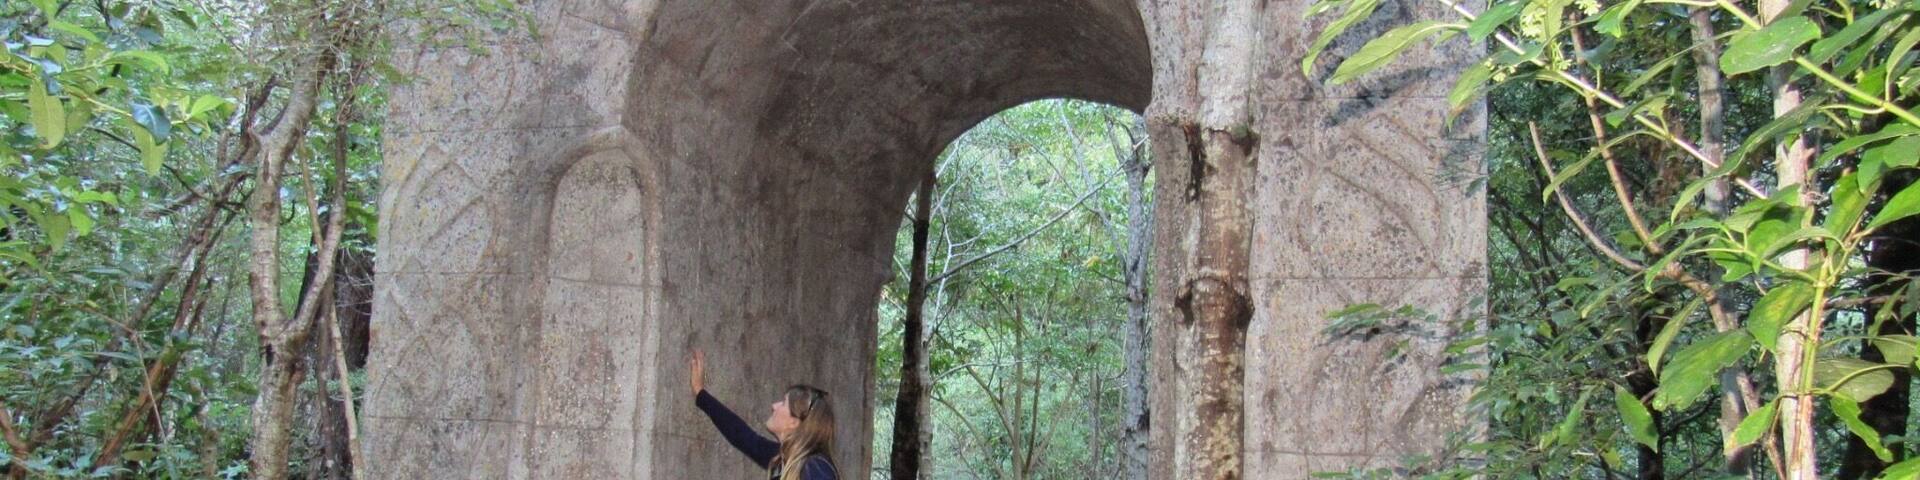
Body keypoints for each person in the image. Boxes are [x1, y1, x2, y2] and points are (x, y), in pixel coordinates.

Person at [689, 349, 839, 480]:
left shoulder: (816, 468)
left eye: (783, 403)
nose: (774, 406)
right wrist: (701, 394)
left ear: (794, 422)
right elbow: (742, 436)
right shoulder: (784, 459)